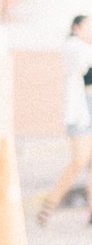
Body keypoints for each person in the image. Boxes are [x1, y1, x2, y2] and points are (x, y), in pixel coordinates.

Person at [36, 14, 92, 222]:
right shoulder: (74, 47)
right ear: (76, 28)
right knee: (79, 160)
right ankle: (49, 205)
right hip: (81, 111)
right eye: (88, 26)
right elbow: (83, 61)